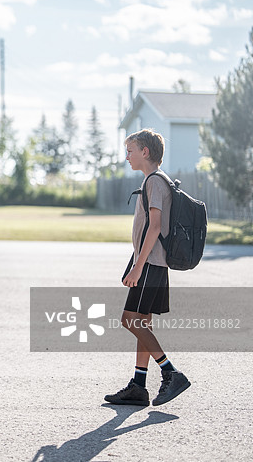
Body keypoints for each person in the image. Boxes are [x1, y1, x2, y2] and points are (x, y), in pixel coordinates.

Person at [105, 128, 191, 407]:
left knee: (130, 320)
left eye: (130, 150)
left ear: (145, 152)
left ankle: (170, 372)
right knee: (142, 323)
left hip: (150, 262)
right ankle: (139, 386)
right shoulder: (155, 180)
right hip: (150, 261)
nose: (126, 156)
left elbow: (155, 226)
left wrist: (137, 267)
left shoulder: (154, 181)